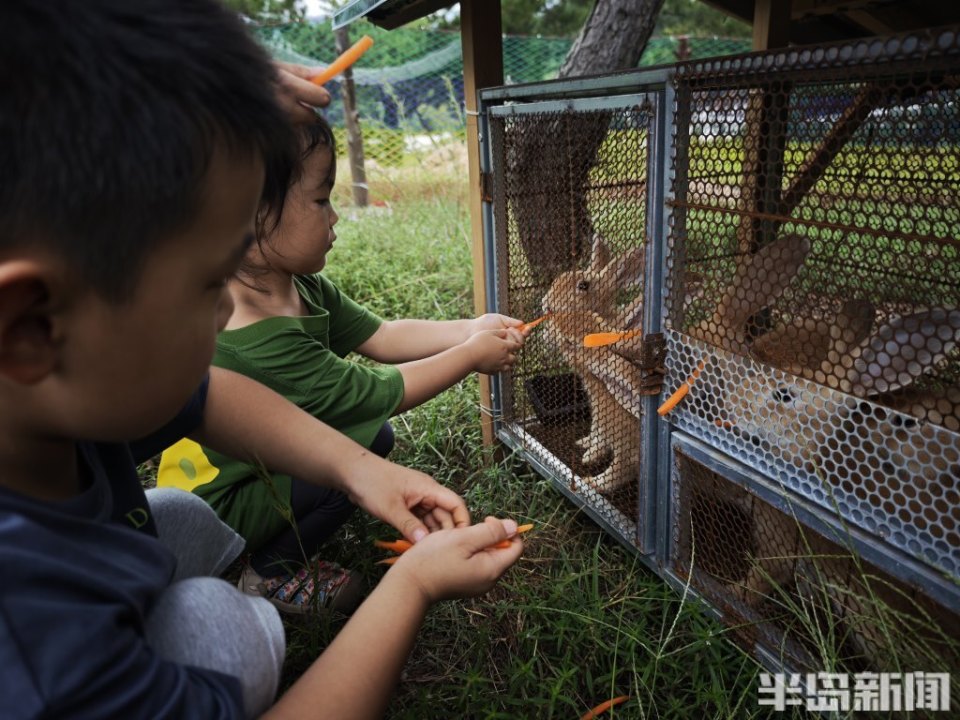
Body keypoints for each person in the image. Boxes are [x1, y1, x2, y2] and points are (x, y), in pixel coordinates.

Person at [0, 1, 523, 718]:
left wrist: (363, 472)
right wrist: (412, 588)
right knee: (225, 632)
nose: (224, 315)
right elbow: (370, 390)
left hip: (120, 536)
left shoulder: (48, 389)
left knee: (178, 513)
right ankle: (261, 587)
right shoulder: (40, 658)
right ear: (30, 328)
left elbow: (210, 396)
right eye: (209, 283)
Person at [157, 113, 527, 613]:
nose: (334, 217)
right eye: (320, 198)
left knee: (372, 438)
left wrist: (469, 327)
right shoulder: (257, 337)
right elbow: (377, 394)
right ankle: (267, 574)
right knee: (362, 439)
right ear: (252, 213)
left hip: (252, 467)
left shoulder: (296, 286)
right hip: (220, 504)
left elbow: (382, 335)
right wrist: (469, 357)